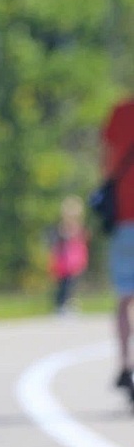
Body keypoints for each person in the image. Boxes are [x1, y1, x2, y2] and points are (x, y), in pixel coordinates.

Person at [101, 98, 134, 396]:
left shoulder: (121, 113)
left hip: (126, 220)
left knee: (126, 297)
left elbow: (108, 165)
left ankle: (126, 365)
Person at [47, 195, 89, 314]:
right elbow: (57, 244)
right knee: (63, 285)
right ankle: (60, 305)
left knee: (72, 284)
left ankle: (68, 303)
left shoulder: (79, 227)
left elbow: (82, 243)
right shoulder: (62, 228)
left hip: (75, 261)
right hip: (64, 262)